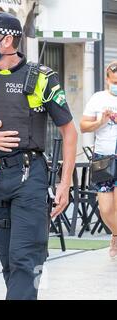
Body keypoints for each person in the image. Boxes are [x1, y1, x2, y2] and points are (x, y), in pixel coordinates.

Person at [0, 12, 78, 300]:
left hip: (29, 178)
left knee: (24, 259)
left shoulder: (43, 78)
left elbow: (69, 132)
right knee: (8, 262)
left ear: (8, 41)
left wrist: (64, 183)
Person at [80, 61, 117, 258]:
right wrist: (101, 121)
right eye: (114, 81)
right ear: (107, 79)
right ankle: (116, 233)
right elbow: (83, 126)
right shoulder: (98, 98)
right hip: (103, 157)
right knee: (105, 209)